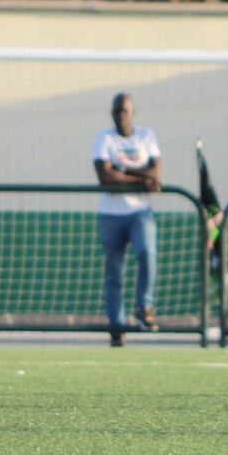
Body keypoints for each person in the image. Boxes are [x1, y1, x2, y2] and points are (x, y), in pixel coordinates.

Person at [93, 93, 160, 347]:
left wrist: (124, 171)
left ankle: (145, 306)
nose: (121, 115)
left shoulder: (146, 136)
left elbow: (156, 173)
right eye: (117, 111)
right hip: (111, 214)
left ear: (133, 113)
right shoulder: (104, 139)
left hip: (140, 212)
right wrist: (140, 180)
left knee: (147, 253)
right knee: (114, 271)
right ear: (112, 113)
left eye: (125, 111)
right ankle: (116, 325)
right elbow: (104, 177)